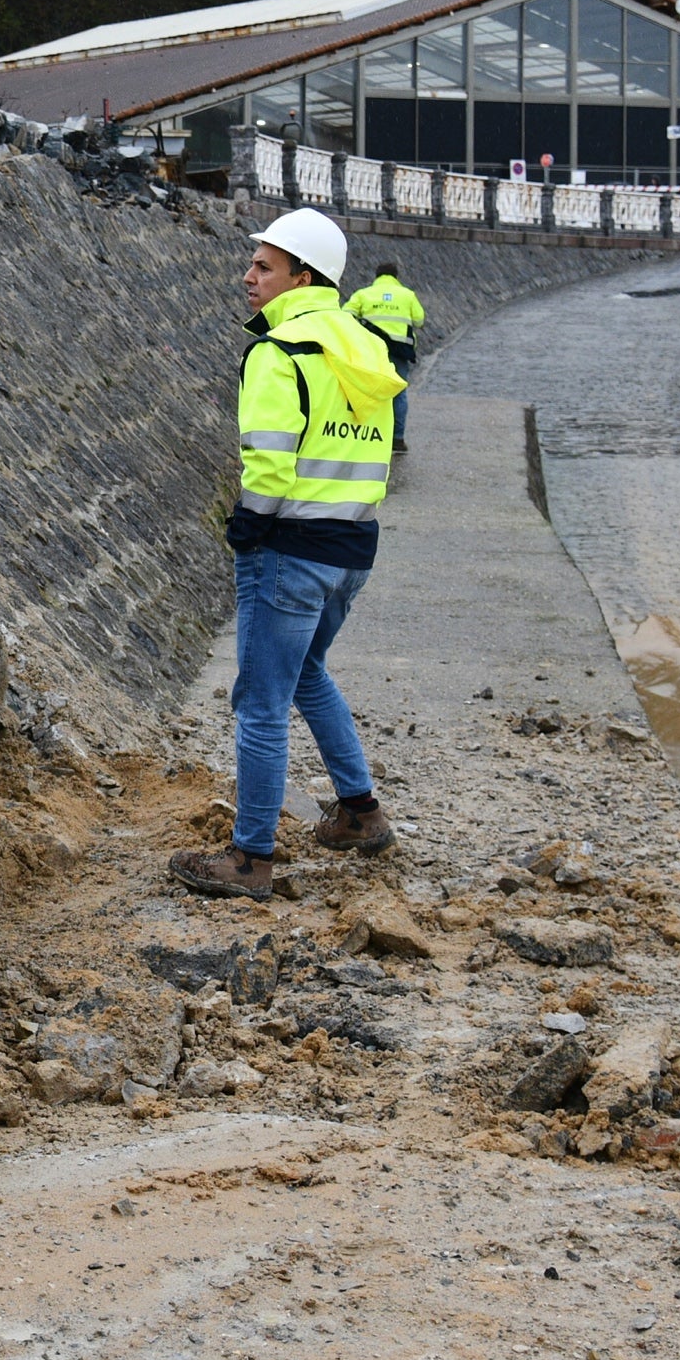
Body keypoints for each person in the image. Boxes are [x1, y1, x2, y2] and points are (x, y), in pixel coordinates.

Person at [171, 209, 405, 899]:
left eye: (264, 266)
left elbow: (268, 467)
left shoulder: (279, 352)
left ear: (303, 276)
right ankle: (362, 814)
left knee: (262, 704)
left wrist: (247, 526)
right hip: (352, 549)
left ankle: (249, 860)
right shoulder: (365, 349)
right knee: (307, 675)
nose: (248, 277)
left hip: (290, 552)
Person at [342, 258, 423, 457]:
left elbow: (345, 314)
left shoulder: (364, 294)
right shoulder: (407, 295)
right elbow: (419, 320)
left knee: (366, 389)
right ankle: (397, 438)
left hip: (369, 351)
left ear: (377, 276)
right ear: (396, 277)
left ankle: (366, 434)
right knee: (398, 393)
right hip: (398, 352)